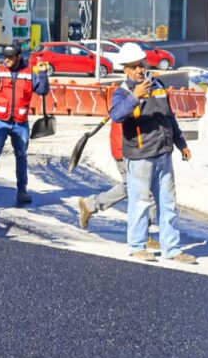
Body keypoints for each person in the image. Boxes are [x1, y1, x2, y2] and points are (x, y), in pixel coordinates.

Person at [110, 42, 196, 264]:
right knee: (139, 203)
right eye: (134, 67)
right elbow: (116, 115)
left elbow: (170, 117)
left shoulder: (158, 85)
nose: (140, 70)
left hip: (163, 153)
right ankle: (137, 246)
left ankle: (172, 248)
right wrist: (135, 97)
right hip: (140, 156)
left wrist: (181, 143)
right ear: (125, 70)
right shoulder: (122, 92)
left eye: (141, 65)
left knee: (168, 203)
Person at [0, 42, 50, 204]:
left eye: (10, 57)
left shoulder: (29, 73)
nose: (7, 60)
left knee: (22, 156)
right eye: (5, 57)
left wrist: (44, 74)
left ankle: (22, 191)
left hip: (20, 122)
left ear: (18, 57)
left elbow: (43, 90)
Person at [76, 120, 159, 249]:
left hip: (126, 145)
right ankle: (141, 235)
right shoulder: (131, 100)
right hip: (130, 147)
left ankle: (90, 204)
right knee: (147, 192)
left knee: (130, 186)